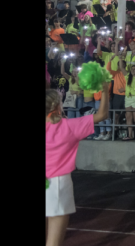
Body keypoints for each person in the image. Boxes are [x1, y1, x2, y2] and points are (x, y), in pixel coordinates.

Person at [46, 80, 111, 246]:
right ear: (58, 106)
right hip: (58, 184)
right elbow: (102, 114)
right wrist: (104, 90)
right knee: (54, 241)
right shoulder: (69, 126)